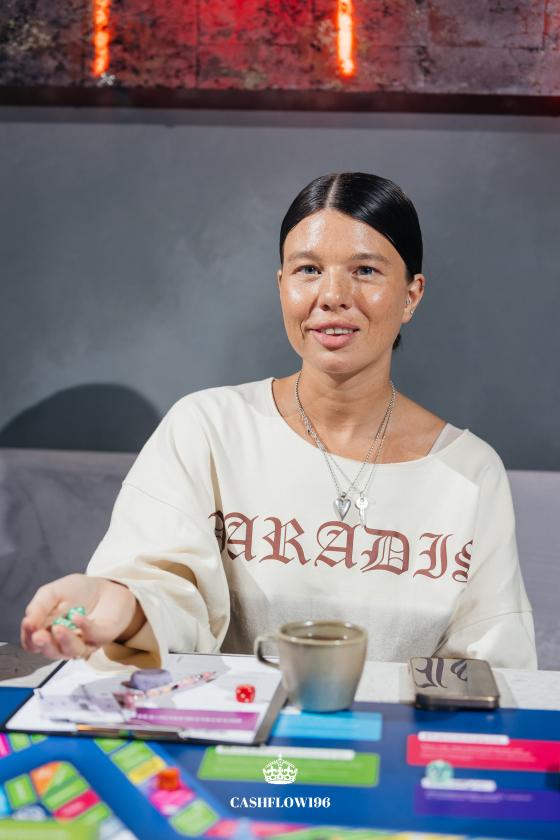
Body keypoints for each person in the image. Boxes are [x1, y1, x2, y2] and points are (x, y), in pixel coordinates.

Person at [20, 171, 537, 671]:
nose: (331, 295)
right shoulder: (208, 428)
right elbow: (162, 587)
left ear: (411, 295)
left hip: (393, 731)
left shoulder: (470, 474)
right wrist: (122, 606)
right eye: (308, 270)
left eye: (365, 271)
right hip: (232, 728)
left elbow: (491, 666)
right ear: (281, 284)